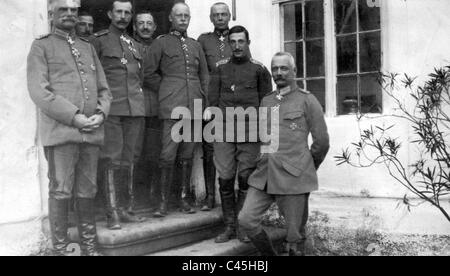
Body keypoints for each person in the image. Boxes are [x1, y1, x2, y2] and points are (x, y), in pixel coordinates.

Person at [27, 0, 111, 256]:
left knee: (88, 190)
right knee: (61, 190)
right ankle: (61, 251)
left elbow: (104, 89)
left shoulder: (87, 47)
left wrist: (101, 113)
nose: (69, 15)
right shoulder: (41, 46)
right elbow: (39, 92)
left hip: (92, 134)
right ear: (51, 14)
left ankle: (89, 248)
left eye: (73, 10)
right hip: (62, 133)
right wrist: (75, 117)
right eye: (63, 10)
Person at [238, 52, 330, 256]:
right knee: (246, 219)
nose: (278, 73)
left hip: (293, 176)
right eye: (275, 68)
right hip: (264, 175)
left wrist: (305, 165)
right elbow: (265, 138)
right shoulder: (267, 101)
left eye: (284, 68)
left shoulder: (308, 100)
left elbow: (322, 142)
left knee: (294, 238)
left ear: (294, 71)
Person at [208, 25, 272, 243]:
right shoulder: (220, 68)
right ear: (228, 44)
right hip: (224, 132)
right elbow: (212, 101)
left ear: (248, 43)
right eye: (232, 42)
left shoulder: (260, 70)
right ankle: (229, 227)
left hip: (250, 132)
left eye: (241, 41)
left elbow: (267, 105)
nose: (236, 46)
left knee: (245, 179)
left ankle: (244, 227)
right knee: (225, 179)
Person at [145, 2, 209, 217]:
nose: (183, 19)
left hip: (194, 107)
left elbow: (204, 77)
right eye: (179, 15)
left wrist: (204, 102)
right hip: (172, 107)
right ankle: (162, 202)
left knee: (188, 153)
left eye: (186, 16)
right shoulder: (161, 43)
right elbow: (149, 73)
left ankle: (183, 198)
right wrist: (166, 90)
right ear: (171, 18)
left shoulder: (195, 45)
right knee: (167, 154)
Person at [91, 0, 145, 230]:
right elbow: (93, 76)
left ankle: (126, 208)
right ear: (110, 14)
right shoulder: (98, 40)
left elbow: (138, 79)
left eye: (127, 12)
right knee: (112, 159)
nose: (123, 16)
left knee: (129, 159)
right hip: (112, 109)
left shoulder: (134, 45)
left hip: (134, 110)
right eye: (119, 12)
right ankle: (111, 211)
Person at [197, 2, 233, 212]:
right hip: (211, 102)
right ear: (211, 18)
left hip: (232, 102)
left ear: (229, 16)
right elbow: (201, 71)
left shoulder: (237, 37)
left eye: (223, 14)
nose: (220, 18)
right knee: (209, 149)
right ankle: (210, 196)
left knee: (232, 146)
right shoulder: (204, 40)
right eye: (216, 15)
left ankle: (230, 196)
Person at [132, 10, 162, 209]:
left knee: (154, 154)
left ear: (155, 27)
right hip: (133, 108)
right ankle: (131, 199)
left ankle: (152, 197)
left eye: (149, 23)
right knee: (133, 154)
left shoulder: (161, 46)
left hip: (156, 108)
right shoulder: (127, 45)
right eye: (141, 23)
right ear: (134, 27)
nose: (145, 27)